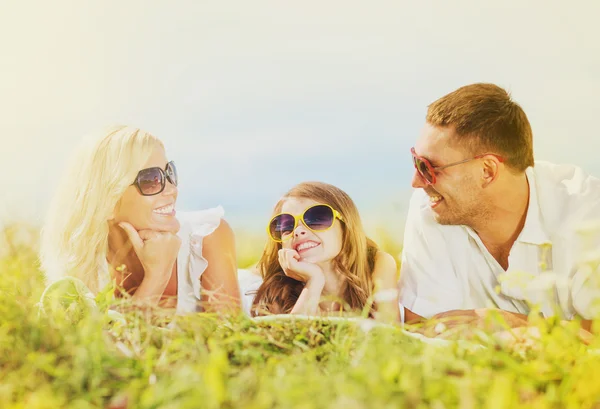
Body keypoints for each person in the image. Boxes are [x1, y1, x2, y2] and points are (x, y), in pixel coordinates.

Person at [398, 83, 600, 332]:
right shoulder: (430, 209)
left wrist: (520, 327)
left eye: (427, 167)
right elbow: (419, 329)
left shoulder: (588, 214)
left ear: (487, 170)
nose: (416, 182)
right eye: (415, 161)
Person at [40, 125, 241, 314]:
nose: (172, 189)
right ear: (108, 202)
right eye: (151, 180)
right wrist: (157, 275)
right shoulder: (86, 266)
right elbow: (106, 348)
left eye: (169, 173)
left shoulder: (208, 237)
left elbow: (232, 340)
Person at [248, 181, 400, 321]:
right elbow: (292, 341)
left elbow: (392, 338)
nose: (298, 231)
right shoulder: (278, 287)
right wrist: (314, 280)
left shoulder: (378, 263)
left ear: (346, 225)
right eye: (286, 225)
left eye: (316, 218)